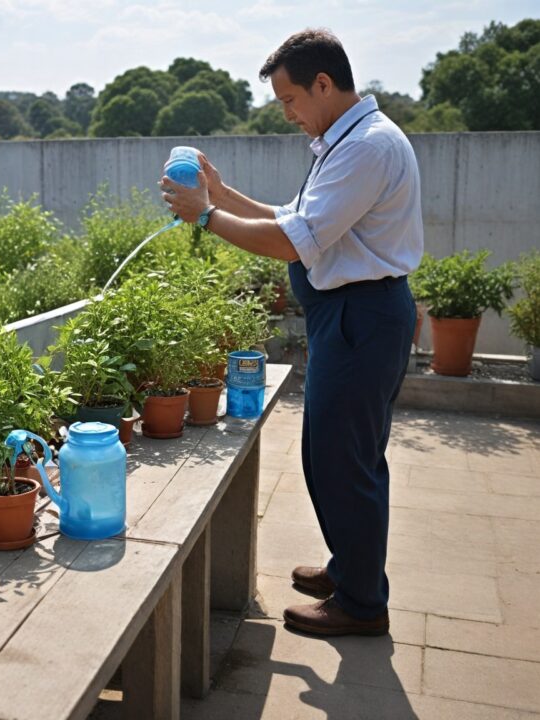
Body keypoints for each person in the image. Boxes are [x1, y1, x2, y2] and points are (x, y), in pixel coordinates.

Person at [161, 28, 422, 636]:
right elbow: (295, 219)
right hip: (352, 317)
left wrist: (205, 214)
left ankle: (362, 604)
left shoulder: (367, 148)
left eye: (291, 101)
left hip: (363, 317)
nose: (289, 114)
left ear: (323, 85)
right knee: (336, 454)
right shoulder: (346, 140)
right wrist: (223, 196)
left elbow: (290, 241)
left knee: (341, 459)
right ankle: (352, 569)